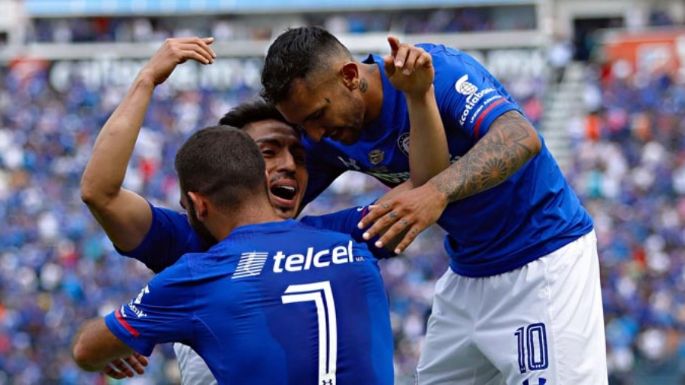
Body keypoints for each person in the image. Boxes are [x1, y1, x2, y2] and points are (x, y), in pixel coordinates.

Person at [79, 37, 440, 383]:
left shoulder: (337, 234)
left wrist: (418, 96)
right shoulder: (187, 243)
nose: (287, 164)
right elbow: (100, 193)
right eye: (266, 153)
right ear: (229, 166)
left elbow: (425, 187)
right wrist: (145, 80)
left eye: (298, 156)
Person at [261, 26, 607, 384]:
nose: (313, 135)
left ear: (349, 77)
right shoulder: (326, 138)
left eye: (317, 115)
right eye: (302, 125)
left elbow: (521, 138)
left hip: (543, 260)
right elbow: (267, 215)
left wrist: (436, 192)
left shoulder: (437, 71)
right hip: (468, 271)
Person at [72, 125, 395, 385]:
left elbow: (86, 350)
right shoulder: (349, 237)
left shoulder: (197, 275)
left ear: (198, 205)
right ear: (264, 183)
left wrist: (118, 339)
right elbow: (421, 190)